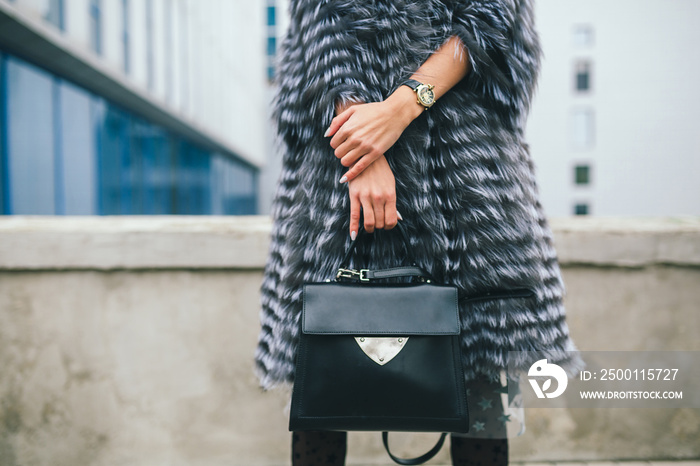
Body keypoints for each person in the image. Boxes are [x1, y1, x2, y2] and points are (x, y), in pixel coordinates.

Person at [255, 1, 582, 465]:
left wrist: (400, 109)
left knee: (483, 379)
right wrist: (360, 156)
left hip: (469, 186)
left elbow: (490, 22)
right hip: (343, 179)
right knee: (322, 374)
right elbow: (323, 34)